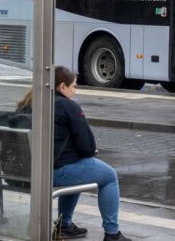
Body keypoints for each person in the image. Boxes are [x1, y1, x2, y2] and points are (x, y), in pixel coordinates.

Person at [53, 66, 128, 241]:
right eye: (73, 86)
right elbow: (87, 147)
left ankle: (64, 225)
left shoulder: (32, 102)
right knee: (109, 176)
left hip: (27, 171)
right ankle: (112, 233)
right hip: (55, 171)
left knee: (77, 170)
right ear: (62, 87)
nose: (75, 90)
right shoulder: (67, 106)